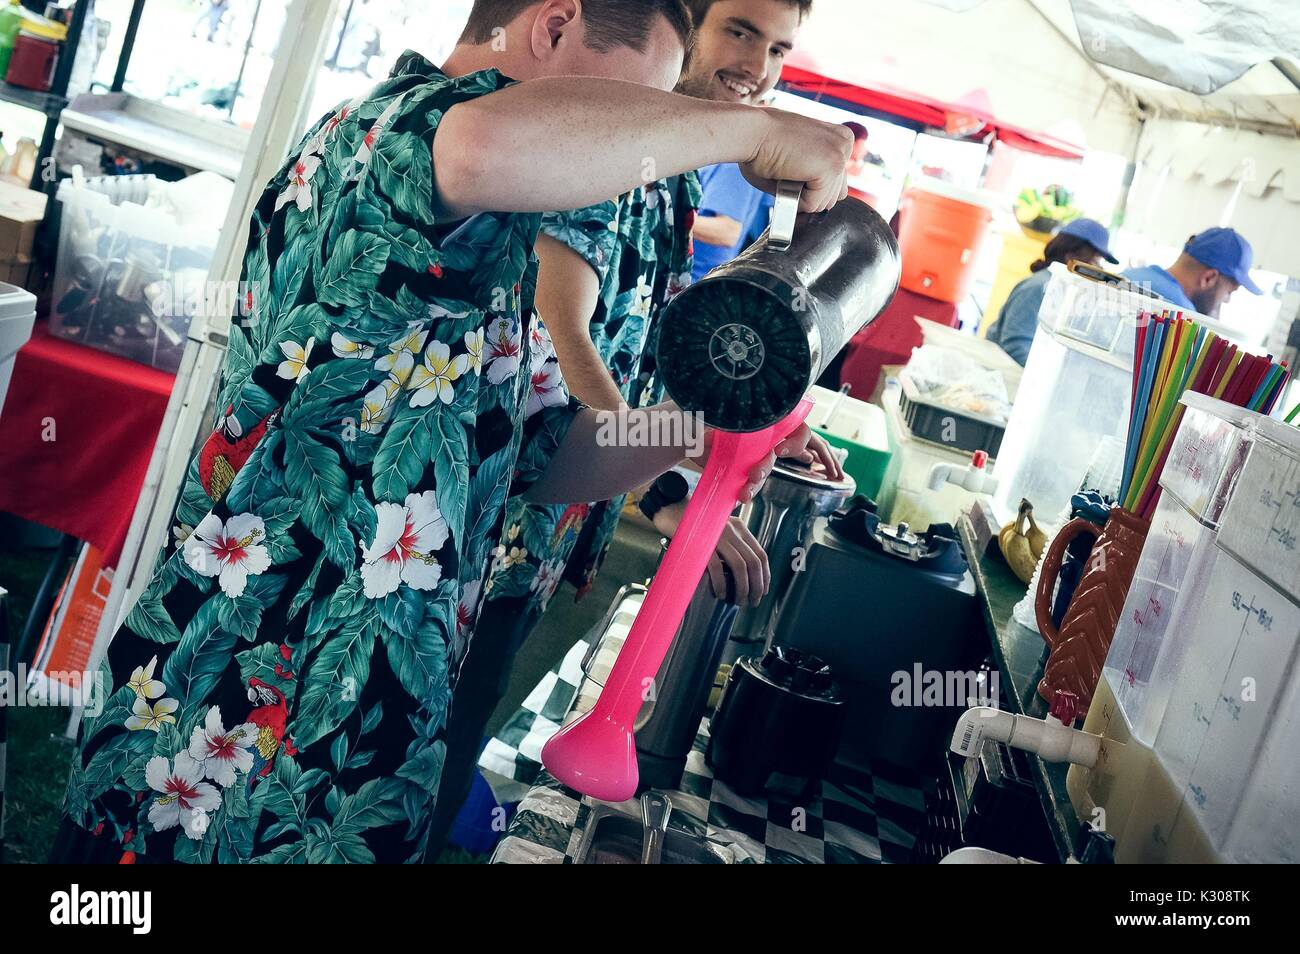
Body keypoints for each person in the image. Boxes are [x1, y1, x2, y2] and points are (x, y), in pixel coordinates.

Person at [49, 0, 852, 864]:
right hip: (223, 715)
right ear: (552, 27)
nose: (634, 158)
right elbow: (480, 145)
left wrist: (707, 426)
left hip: (361, 735)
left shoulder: (493, 229)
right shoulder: (396, 131)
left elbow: (545, 457)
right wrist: (747, 130)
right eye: (638, 113)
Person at [424, 0, 834, 860]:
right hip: (469, 538)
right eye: (737, 31)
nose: (755, 63)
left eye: (779, 48)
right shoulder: (601, 154)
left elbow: (615, 361)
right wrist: (669, 487)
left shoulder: (665, 168)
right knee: (424, 768)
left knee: (443, 757)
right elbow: (561, 336)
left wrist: (736, 424)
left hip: (522, 530)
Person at [987, 218, 1117, 365]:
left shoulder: (1069, 292)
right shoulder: (1039, 287)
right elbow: (1015, 346)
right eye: (1095, 261)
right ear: (1071, 258)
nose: (1099, 270)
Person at [1122, 227, 1262, 319]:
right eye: (1229, 292)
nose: (1226, 300)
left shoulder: (1130, 275)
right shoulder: (1182, 316)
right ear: (1208, 278)